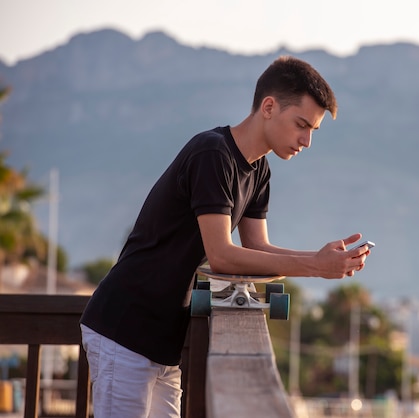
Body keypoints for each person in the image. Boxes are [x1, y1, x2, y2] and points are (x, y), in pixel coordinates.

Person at [79, 55, 371, 418]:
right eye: (301, 125)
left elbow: (257, 249)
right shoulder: (212, 153)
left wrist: (324, 259)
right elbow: (222, 255)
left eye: (313, 130)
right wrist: (314, 266)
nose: (307, 141)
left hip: (162, 343)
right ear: (268, 107)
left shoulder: (259, 171)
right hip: (124, 329)